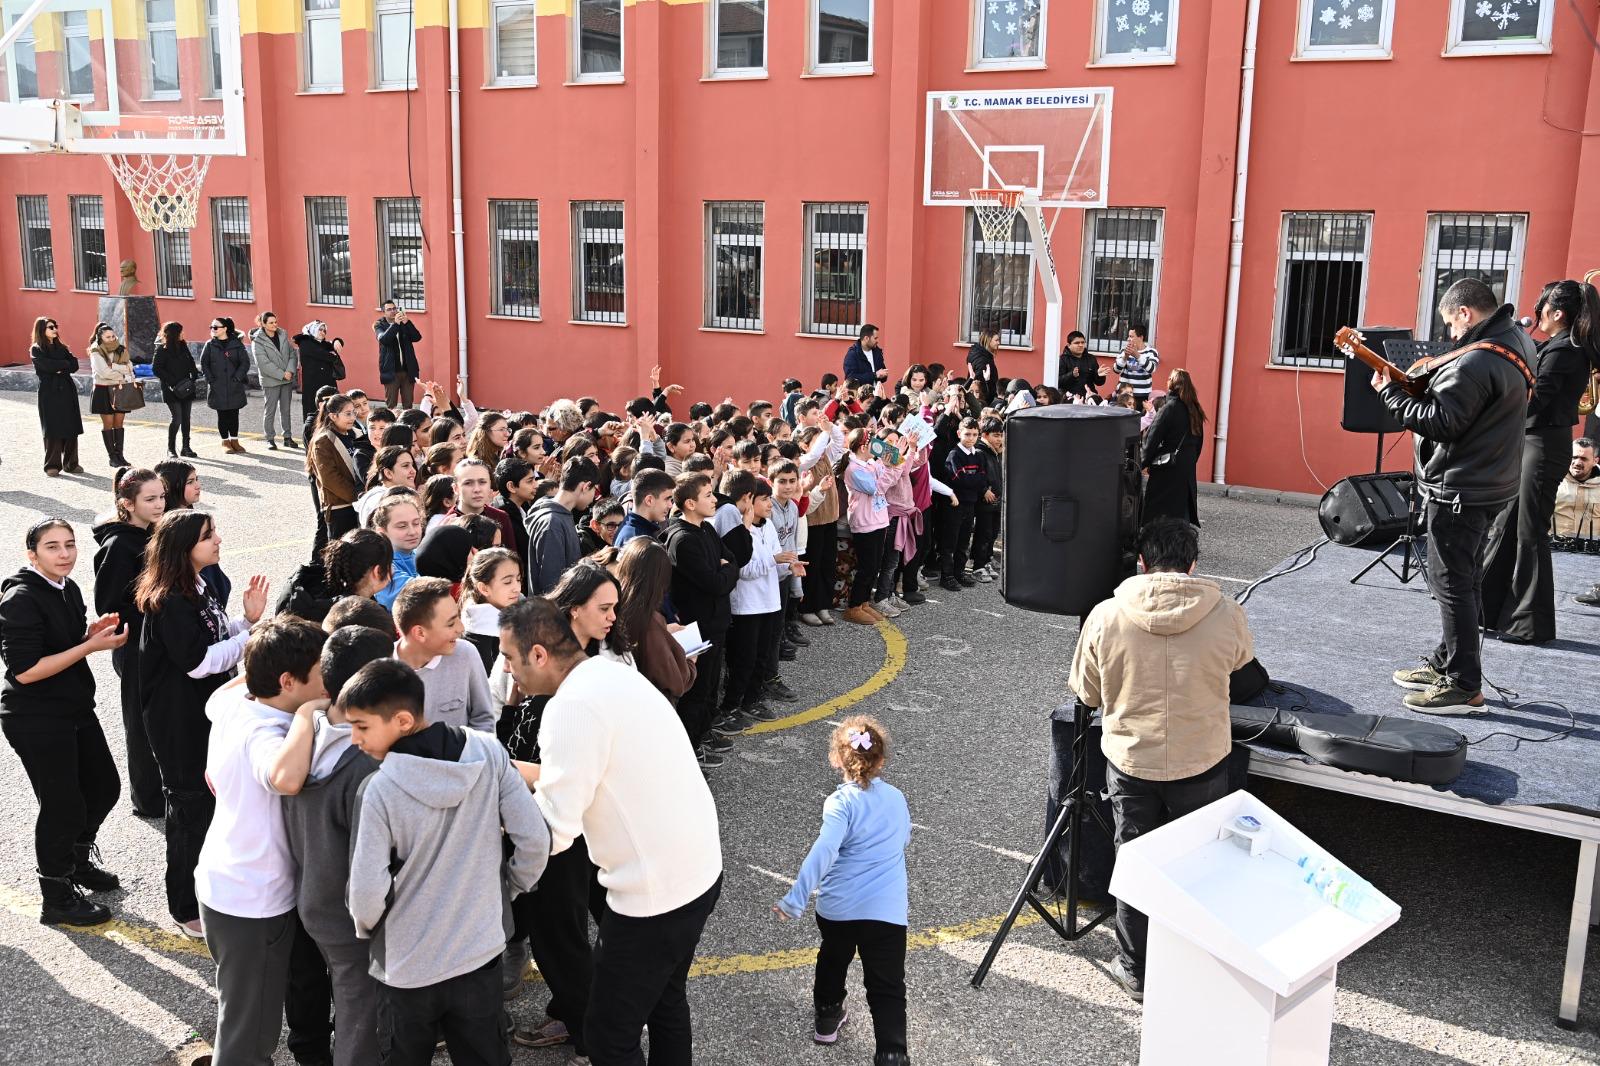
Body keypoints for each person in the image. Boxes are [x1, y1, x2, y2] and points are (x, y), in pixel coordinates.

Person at [497, 597, 722, 1066]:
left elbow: (554, 831)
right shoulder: (611, 673)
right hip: (698, 872)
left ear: (539, 654)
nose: (506, 671)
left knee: (606, 1036)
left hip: (651, 899)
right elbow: (594, 771)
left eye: (509, 658)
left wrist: (494, 843)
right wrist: (516, 771)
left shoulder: (569, 709)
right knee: (665, 1002)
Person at [1068, 517, 1254, 1003]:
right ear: (1192, 565)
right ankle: (1192, 963)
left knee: (1135, 860)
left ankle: (1135, 969)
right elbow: (1242, 668)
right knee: (1199, 860)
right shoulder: (1227, 613)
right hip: (1203, 756)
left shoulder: (1105, 615)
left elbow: (1086, 693)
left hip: (1132, 759)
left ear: (1142, 562)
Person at [344, 659, 549, 1066]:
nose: (354, 738)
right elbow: (535, 840)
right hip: (479, 951)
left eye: (362, 726)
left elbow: (366, 892)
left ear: (402, 721)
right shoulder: (488, 753)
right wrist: (508, 889)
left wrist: (367, 926)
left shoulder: (379, 790)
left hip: (406, 965)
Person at [1375, 279, 1534, 713]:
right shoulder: (1518, 339)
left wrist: (1389, 393)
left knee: (1451, 584)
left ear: (1465, 312)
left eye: (1451, 323)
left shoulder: (1474, 361)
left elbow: (1441, 422)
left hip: (1461, 489)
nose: (1450, 334)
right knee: (1465, 580)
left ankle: (1464, 685)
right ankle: (1448, 660)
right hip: (1492, 482)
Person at [194, 617, 324, 1066]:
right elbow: (284, 778)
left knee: (241, 1019)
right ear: (287, 682)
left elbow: (218, 696)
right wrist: (308, 714)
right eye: (322, 673)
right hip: (254, 904)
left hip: (224, 885)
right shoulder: (266, 733)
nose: (330, 682)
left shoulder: (237, 704)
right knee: (249, 1040)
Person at [135, 510, 270, 937]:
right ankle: (184, 905)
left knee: (209, 803)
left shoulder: (196, 585)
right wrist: (252, 638)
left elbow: (213, 636)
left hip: (203, 712)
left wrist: (246, 622)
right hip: (179, 721)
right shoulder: (169, 600)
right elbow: (198, 662)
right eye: (208, 536)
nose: (218, 540)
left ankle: (210, 889)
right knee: (189, 807)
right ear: (183, 548)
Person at [1, 519, 127, 926]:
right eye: (52, 546)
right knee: (62, 805)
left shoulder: (66, 587)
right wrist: (89, 647)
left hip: (72, 707)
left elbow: (61, 645)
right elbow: (25, 671)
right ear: (32, 554)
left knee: (104, 787)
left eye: (69, 545)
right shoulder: (20, 599)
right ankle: (55, 896)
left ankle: (75, 860)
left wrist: (89, 636)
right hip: (34, 716)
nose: (64, 554)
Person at [282, 625, 391, 1066]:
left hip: (312, 896)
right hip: (350, 913)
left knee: (347, 1002)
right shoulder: (365, 761)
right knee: (360, 1018)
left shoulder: (303, 734)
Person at [773, 717, 910, 1066]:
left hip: (839, 908)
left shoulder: (840, 803)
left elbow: (824, 850)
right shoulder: (896, 799)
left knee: (833, 957)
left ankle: (828, 1016)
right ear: (881, 761)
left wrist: (796, 898)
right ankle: (891, 1052)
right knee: (887, 984)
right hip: (886, 910)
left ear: (836, 760)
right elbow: (904, 839)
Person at [1480, 279, 1599, 644]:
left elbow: (1535, 400)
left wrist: (1491, 407)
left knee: (1529, 533)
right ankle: (1485, 609)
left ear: (1557, 313)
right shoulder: (1560, 346)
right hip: (1535, 442)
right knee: (1507, 524)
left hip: (1543, 446)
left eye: (1540, 308)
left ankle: (1531, 625)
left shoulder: (1564, 350)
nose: (1536, 314)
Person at [92, 467, 167, 817]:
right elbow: (108, 607)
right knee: (141, 724)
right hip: (136, 646)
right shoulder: (119, 545)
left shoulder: (152, 533)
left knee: (163, 717)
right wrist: (154, 611)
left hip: (157, 642)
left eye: (161, 496)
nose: (159, 504)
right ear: (127, 504)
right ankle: (148, 800)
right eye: (150, 499)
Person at [664, 472, 741, 763]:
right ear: (690, 503)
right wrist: (726, 571)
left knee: (710, 687)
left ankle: (704, 733)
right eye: (708, 495)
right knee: (695, 692)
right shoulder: (683, 539)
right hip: (698, 627)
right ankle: (689, 752)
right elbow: (716, 583)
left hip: (716, 622)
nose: (714, 500)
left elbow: (733, 561)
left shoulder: (706, 529)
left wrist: (726, 569)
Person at [392, 577, 497, 732]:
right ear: (420, 633)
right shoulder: (379, 671)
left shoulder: (465, 654)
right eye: (451, 623)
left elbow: (484, 719)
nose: (461, 628)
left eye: (458, 617)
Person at [843, 429, 918, 624]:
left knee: (875, 566)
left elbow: (892, 474)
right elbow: (877, 488)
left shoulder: (869, 464)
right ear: (863, 447)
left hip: (879, 520)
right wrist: (893, 464)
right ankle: (854, 606)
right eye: (872, 443)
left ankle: (864, 603)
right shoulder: (854, 469)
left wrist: (895, 459)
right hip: (865, 522)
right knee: (866, 567)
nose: (877, 447)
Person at [615, 538, 696, 704]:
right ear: (660, 579)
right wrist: (690, 661)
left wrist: (664, 631)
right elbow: (675, 682)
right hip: (649, 706)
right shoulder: (648, 622)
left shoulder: (612, 607)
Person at [1141, 368, 1206, 528]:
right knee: (1180, 509)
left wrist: (1142, 463)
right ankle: (1180, 540)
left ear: (1172, 383)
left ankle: (1158, 540)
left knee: (1159, 509)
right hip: (1187, 464)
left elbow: (1152, 438)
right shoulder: (1195, 410)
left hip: (1167, 465)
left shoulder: (1169, 408)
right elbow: (1199, 442)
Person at [526, 456, 601, 595]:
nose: (593, 497)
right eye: (594, 490)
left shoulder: (561, 515)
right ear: (585, 487)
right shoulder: (552, 523)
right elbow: (552, 585)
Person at [30, 317, 84, 475]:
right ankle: (52, 465)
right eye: (51, 327)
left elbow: (74, 364)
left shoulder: (62, 347)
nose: (55, 329)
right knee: (52, 427)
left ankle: (71, 464)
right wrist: (63, 365)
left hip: (67, 390)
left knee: (71, 425)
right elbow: (46, 366)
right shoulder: (36, 349)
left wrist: (60, 366)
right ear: (42, 330)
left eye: (55, 326)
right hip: (49, 392)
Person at [309, 395, 364, 540]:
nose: (352, 417)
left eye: (354, 412)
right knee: (341, 550)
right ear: (333, 416)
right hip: (340, 507)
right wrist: (357, 496)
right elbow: (330, 478)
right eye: (347, 414)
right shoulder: (323, 441)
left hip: (358, 503)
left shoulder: (356, 434)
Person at [461, 547, 522, 675]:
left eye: (518, 579)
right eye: (507, 582)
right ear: (484, 588)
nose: (517, 588)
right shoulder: (476, 641)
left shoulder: (525, 617)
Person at [941, 419, 986, 592]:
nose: (971, 438)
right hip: (955, 504)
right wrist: (972, 480)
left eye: (975, 434)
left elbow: (982, 478)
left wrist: (971, 479)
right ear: (959, 433)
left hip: (970, 503)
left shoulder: (979, 455)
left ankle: (959, 572)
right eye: (967, 434)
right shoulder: (954, 455)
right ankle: (947, 576)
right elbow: (959, 479)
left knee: (964, 541)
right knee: (950, 541)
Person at [88, 322, 137, 466]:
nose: (111, 339)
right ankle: (112, 458)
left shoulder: (120, 348)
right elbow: (104, 372)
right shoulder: (96, 350)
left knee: (119, 423)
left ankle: (120, 456)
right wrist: (123, 374)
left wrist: (114, 366)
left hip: (119, 389)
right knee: (108, 424)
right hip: (103, 390)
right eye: (108, 337)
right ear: (100, 338)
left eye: (113, 336)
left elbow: (130, 366)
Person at [149, 321, 200, 460]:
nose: (183, 334)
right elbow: (156, 369)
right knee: (177, 418)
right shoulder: (162, 349)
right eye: (181, 331)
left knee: (186, 418)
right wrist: (172, 381)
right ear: (174, 334)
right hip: (171, 389)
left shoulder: (183, 346)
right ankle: (171, 449)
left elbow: (190, 361)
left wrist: (194, 374)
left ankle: (186, 447)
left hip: (186, 387)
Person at [250, 311, 300, 451]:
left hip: (286, 379)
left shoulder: (282, 334)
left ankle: (287, 437)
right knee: (270, 411)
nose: (274, 325)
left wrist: (290, 371)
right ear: (263, 324)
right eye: (271, 323)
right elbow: (263, 363)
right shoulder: (257, 341)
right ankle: (270, 439)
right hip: (271, 381)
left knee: (286, 410)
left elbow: (292, 354)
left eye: (275, 322)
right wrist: (282, 374)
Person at [202, 317, 252, 454]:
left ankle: (234, 440)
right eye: (211, 327)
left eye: (216, 327)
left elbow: (245, 363)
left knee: (234, 414)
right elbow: (204, 364)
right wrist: (211, 380)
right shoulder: (210, 345)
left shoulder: (237, 344)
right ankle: (225, 441)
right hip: (217, 385)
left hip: (234, 384)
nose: (213, 329)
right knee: (222, 414)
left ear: (225, 329)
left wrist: (237, 377)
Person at [449, 457, 518, 549]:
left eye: (482, 482)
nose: (477, 489)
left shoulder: (501, 517)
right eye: (468, 483)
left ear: (490, 484)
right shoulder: (448, 524)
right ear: (456, 488)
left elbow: (511, 554)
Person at [372, 494, 424, 610]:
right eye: (402, 526)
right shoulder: (383, 565)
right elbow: (419, 597)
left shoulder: (418, 553)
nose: (412, 532)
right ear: (382, 532)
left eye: (416, 523)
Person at [971, 418, 1004, 582]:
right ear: (985, 435)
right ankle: (978, 566)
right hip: (985, 501)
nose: (999, 439)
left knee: (992, 533)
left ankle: (986, 561)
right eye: (996, 435)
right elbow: (977, 473)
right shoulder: (980, 451)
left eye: (1001, 435)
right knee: (983, 533)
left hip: (996, 500)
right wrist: (984, 490)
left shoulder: (995, 452)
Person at [373, 299, 421, 409]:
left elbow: (417, 337)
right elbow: (384, 339)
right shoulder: (379, 325)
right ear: (383, 312)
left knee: (408, 405)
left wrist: (407, 323)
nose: (393, 311)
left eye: (394, 308)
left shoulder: (404, 323)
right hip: (391, 372)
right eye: (389, 309)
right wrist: (395, 324)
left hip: (408, 371)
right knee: (391, 406)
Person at [355, 445, 419, 527]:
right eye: (405, 466)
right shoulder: (377, 501)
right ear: (388, 473)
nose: (413, 471)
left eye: (412, 465)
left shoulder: (406, 495)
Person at [613, 468, 674, 550]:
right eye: (667, 499)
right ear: (649, 500)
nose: (670, 505)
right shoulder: (636, 541)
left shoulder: (636, 531)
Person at [295, 320, 345, 417]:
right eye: (320, 330)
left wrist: (337, 340)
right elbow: (322, 354)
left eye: (324, 330)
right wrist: (332, 355)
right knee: (312, 412)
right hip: (312, 386)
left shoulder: (323, 344)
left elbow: (336, 345)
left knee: (330, 411)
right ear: (313, 329)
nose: (323, 332)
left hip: (328, 383)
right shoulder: (305, 343)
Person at [1555, 437, 1600, 541]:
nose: (1578, 462)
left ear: (1595, 461)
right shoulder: (1553, 480)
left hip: (1593, 548)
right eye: (1574, 457)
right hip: (1556, 546)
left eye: (1584, 459)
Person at [1112, 322, 1160, 410]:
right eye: (1128, 336)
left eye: (1131, 336)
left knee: (1139, 417)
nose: (1128, 339)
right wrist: (1125, 357)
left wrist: (1137, 355)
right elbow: (1116, 370)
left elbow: (1152, 369)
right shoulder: (1124, 350)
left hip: (1142, 395)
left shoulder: (1151, 352)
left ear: (1141, 337)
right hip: (1124, 394)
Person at [1056, 330, 1105, 399]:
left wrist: (1099, 376)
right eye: (1077, 343)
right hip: (1069, 399)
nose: (1081, 345)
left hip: (1088, 398)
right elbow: (1058, 382)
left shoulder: (1091, 358)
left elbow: (1099, 383)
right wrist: (1071, 375)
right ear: (1069, 345)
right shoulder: (1062, 359)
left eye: (1083, 342)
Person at [843, 323, 889, 388]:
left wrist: (883, 375)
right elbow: (850, 378)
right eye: (875, 338)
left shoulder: (877, 352)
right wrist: (874, 375)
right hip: (860, 393)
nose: (877, 341)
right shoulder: (852, 354)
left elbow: (882, 374)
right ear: (866, 338)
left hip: (876, 393)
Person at [965, 329, 1000, 407]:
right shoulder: (983, 360)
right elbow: (979, 384)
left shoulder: (981, 354)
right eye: (996, 340)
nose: (998, 343)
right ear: (988, 341)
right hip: (982, 402)